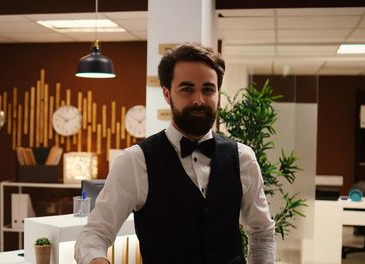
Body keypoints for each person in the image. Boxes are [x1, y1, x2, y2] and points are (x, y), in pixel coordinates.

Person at [74, 43, 275, 264]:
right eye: (187, 89)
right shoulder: (135, 161)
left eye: (208, 89)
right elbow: (93, 235)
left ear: (218, 93)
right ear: (167, 94)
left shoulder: (243, 158)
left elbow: (262, 233)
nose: (198, 99)